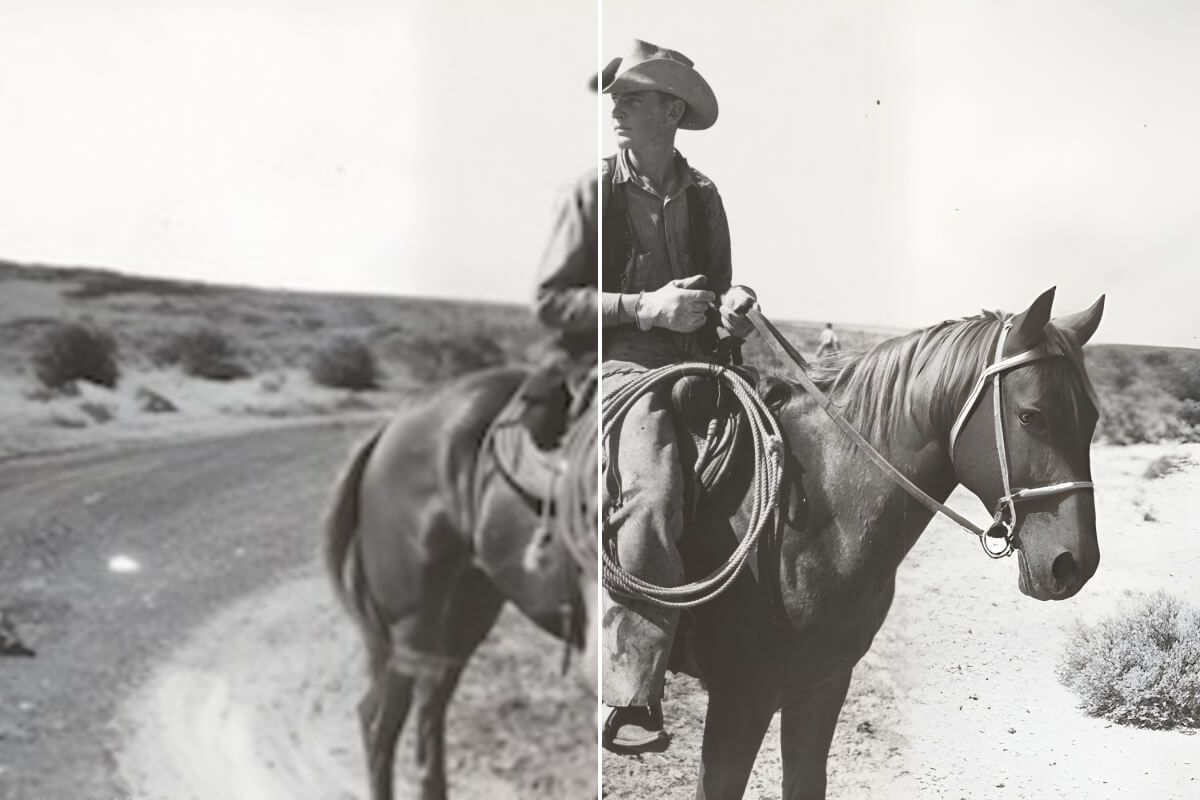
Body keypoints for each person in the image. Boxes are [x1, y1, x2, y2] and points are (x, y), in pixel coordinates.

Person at [597, 39, 755, 754]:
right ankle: (632, 693)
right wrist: (647, 310)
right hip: (621, 367)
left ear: (671, 109)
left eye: (632, 98)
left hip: (701, 363)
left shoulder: (705, 196)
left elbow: (721, 289)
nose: (617, 110)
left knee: (788, 451)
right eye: (617, 99)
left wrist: (735, 305)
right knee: (656, 485)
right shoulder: (594, 191)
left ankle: (756, 638)